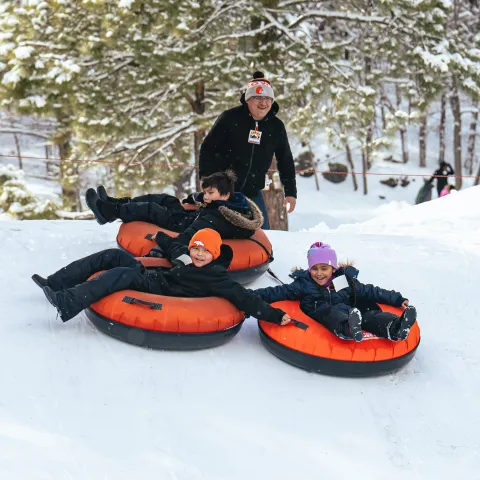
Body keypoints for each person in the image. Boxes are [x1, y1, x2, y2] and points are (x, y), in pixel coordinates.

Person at [32, 228, 291, 325]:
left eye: (205, 251)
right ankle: (55, 282)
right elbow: (174, 249)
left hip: (161, 290)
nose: (199, 255)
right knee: (112, 255)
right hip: (157, 275)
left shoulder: (217, 278)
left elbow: (245, 298)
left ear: (214, 254)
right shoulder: (188, 259)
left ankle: (68, 302)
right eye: (196, 249)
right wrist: (161, 238)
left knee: (121, 273)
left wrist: (275, 315)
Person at [253, 242, 417, 342]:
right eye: (314, 268)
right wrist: (250, 296)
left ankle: (395, 327)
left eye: (324, 268)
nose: (319, 273)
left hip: (351, 312)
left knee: (369, 316)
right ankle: (348, 329)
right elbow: (278, 292)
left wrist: (396, 299)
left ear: (333, 268)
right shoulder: (303, 284)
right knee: (331, 314)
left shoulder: (344, 280)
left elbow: (369, 291)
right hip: (322, 313)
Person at [85, 170, 264, 260]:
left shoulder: (218, 218)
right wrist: (195, 198)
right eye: (206, 193)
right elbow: (203, 199)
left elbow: (189, 235)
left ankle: (107, 212)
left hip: (182, 226)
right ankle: (116, 203)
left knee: (152, 209)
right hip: (193, 216)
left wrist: (163, 242)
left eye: (210, 193)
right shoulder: (234, 200)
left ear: (224, 195)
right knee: (168, 199)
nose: (206, 196)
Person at [199, 71, 297, 230]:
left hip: (253, 192)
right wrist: (205, 177)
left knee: (261, 233)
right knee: (216, 230)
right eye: (258, 97)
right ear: (248, 99)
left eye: (267, 98)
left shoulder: (276, 126)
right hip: (222, 188)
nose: (263, 102)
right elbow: (208, 148)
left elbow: (285, 160)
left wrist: (291, 192)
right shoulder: (230, 118)